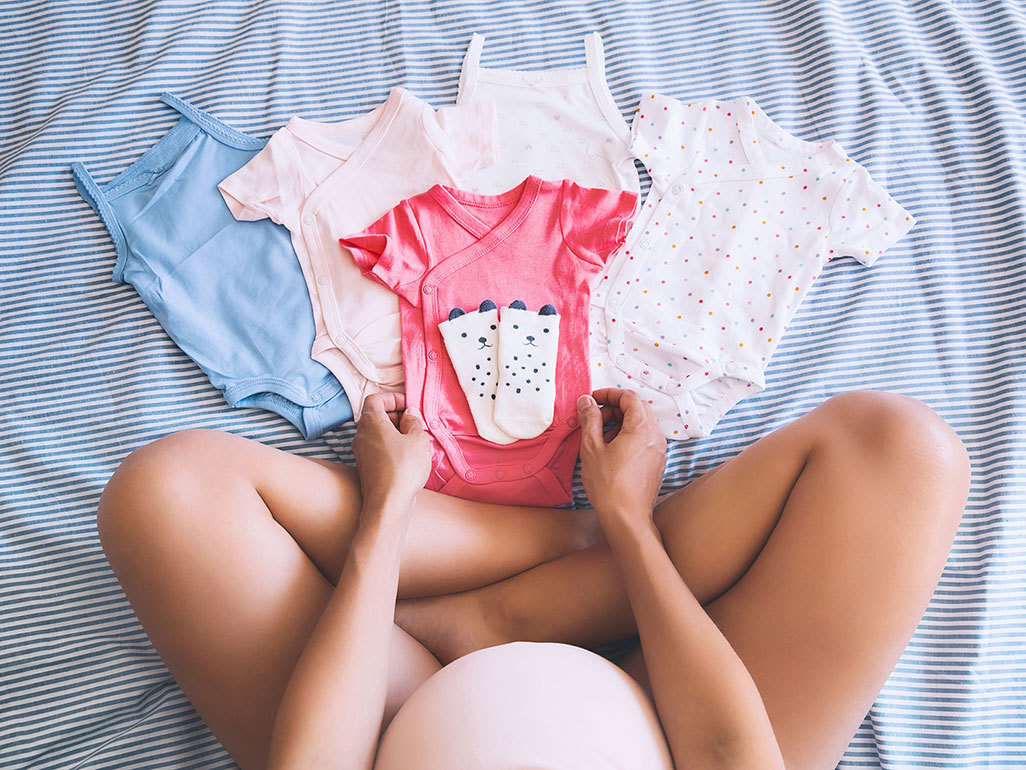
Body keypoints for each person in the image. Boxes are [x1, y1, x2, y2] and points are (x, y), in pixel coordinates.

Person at [97, 388, 969, 769]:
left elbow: (321, 758)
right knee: (902, 454)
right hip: (668, 727)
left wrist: (388, 514)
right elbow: (725, 753)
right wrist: (628, 524)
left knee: (164, 497)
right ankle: (577, 558)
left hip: (397, 710)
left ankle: (502, 602)